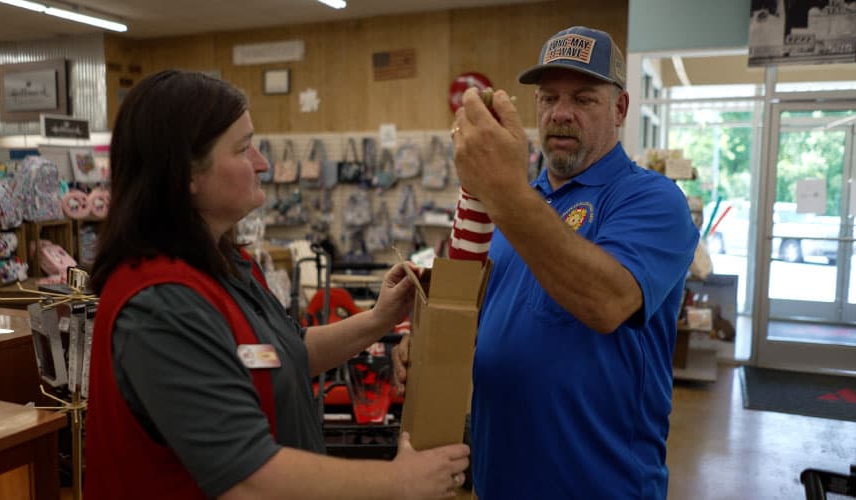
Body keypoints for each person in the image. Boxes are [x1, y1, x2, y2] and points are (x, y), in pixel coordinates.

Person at [84, 69, 469, 500]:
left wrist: (379, 320)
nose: (263, 164)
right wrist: (399, 483)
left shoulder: (223, 263)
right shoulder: (161, 305)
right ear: (185, 175)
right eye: (245, 149)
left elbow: (284, 355)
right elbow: (247, 478)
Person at [394, 26, 699, 498]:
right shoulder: (512, 204)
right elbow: (475, 324)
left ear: (619, 108)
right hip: (500, 479)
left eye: (583, 98)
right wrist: (429, 345)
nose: (560, 113)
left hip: (602, 484)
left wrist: (505, 191)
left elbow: (606, 300)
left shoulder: (653, 200)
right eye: (548, 97)